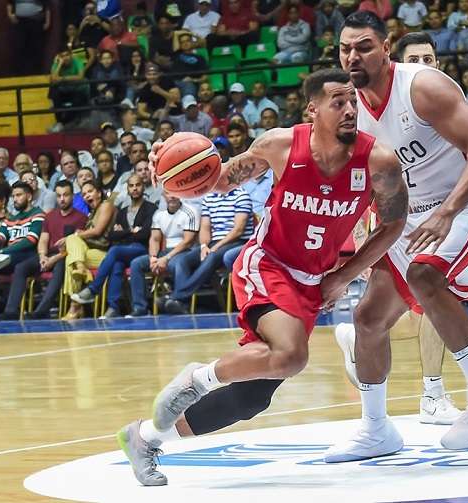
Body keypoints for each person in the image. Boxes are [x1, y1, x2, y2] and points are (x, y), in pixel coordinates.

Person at [117, 68, 408, 486]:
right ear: (313, 109)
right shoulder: (280, 144)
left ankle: (144, 436)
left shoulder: (379, 160)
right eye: (337, 101)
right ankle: (197, 377)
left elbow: (392, 225)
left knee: (249, 398)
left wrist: (344, 275)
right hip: (266, 264)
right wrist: (168, 164)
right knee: (292, 355)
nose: (349, 109)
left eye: (352, 101)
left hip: (312, 281)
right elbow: (216, 180)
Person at [326, 11, 468, 462]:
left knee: (426, 277)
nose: (354, 56)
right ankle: (375, 430)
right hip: (409, 217)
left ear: (386, 47)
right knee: (368, 317)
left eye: (364, 46)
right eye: (346, 48)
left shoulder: (422, 87)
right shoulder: (347, 110)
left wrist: (448, 214)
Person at [72, 175, 157, 318]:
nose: (135, 188)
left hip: (142, 249)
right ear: (128, 189)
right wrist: (131, 231)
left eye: (138, 185)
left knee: (115, 251)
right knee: (117, 264)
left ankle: (93, 289)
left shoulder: (150, 208)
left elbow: (145, 234)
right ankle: (114, 308)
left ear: (143, 187)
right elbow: (112, 235)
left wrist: (123, 232)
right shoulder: (123, 211)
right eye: (131, 186)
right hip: (125, 250)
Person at [159, 187, 254, 314]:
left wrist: (215, 247)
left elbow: (238, 231)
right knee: (182, 260)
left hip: (237, 242)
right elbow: (205, 227)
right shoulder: (209, 197)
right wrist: (204, 246)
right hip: (213, 243)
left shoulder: (241, 195)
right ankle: (181, 303)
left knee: (212, 256)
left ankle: (177, 297)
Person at [0, 182, 45, 320]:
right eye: (13, 196)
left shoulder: (38, 214)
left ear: (29, 196)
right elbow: (0, 237)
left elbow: (30, 240)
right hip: (6, 258)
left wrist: (4, 251)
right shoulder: (10, 220)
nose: (15, 199)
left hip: (27, 256)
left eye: (19, 195)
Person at [26, 180, 88, 319]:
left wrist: (54, 259)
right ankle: (11, 311)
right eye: (59, 195)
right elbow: (43, 239)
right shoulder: (50, 216)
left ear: (73, 196)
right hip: (48, 255)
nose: (62, 199)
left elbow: (75, 246)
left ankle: (41, 311)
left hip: (66, 255)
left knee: (60, 266)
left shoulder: (81, 218)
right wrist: (42, 256)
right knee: (21, 267)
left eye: (65, 195)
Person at [61, 181, 116, 320]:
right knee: (71, 257)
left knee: (71, 243)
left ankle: (74, 308)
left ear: (99, 192)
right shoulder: (92, 213)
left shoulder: (106, 205)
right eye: (84, 194)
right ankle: (81, 269)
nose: (87, 196)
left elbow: (97, 231)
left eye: (90, 191)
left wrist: (77, 234)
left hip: (106, 254)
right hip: (91, 252)